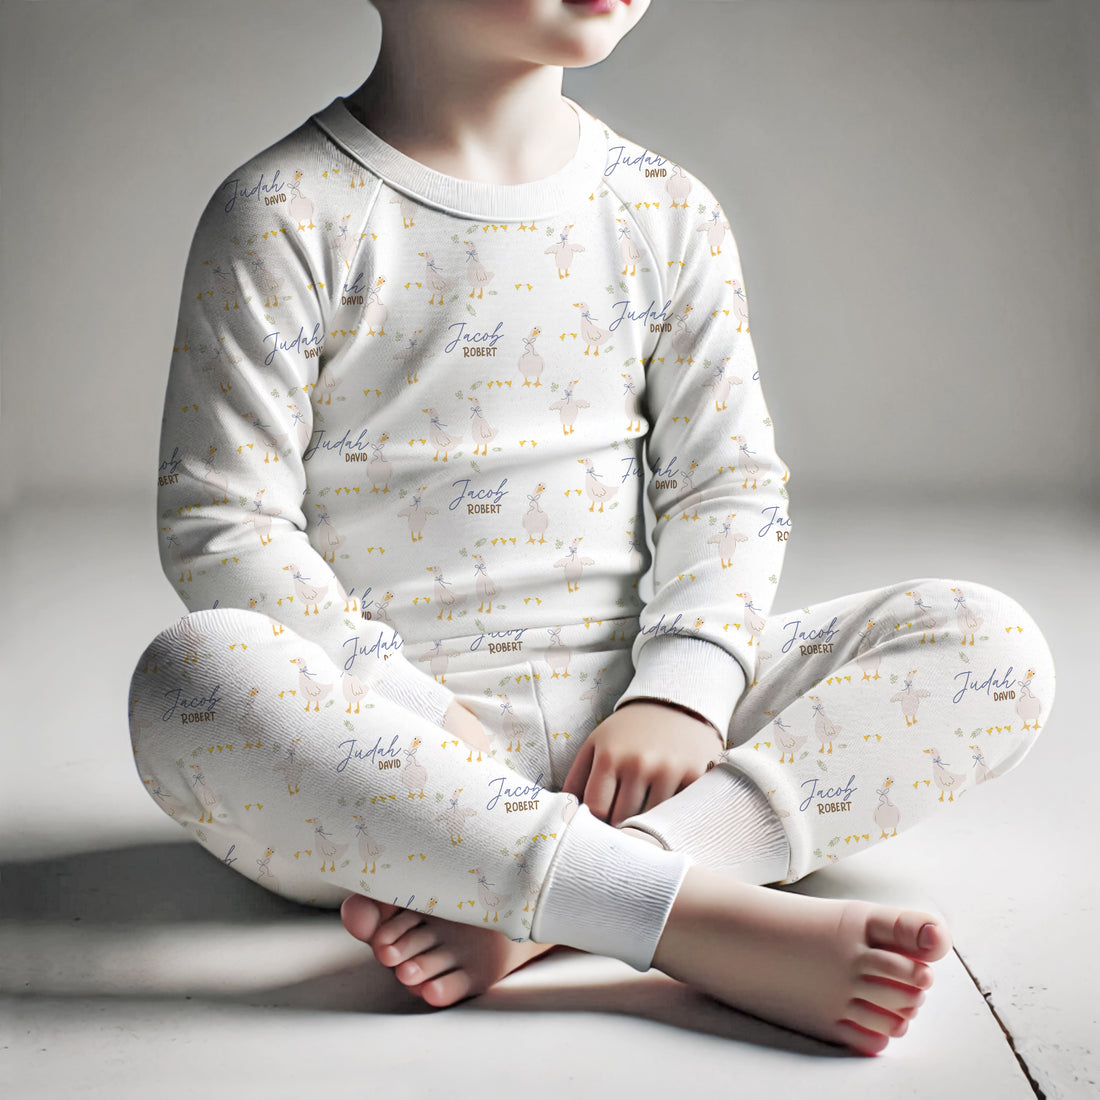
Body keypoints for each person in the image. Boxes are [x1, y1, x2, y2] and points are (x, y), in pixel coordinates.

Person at [128, 0, 1054, 1057]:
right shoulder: (285, 209)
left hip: (639, 744)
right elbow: (224, 521)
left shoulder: (664, 210)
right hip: (384, 771)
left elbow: (727, 487)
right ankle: (682, 911)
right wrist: (414, 716)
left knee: (986, 646)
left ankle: (556, 900)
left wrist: (682, 691)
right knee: (188, 678)